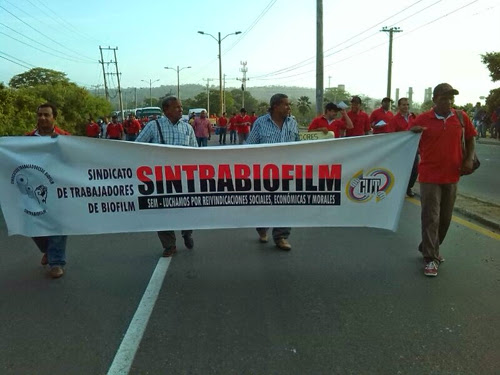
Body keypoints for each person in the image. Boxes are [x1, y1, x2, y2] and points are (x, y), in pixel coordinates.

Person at [410, 83, 476, 277]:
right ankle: (430, 258)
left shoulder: (461, 117)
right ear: (435, 100)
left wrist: (469, 158)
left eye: (451, 98)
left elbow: (471, 138)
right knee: (431, 217)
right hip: (429, 176)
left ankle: (428, 246)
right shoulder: (423, 119)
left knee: (445, 218)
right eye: (444, 98)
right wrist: (412, 132)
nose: (448, 102)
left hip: (452, 175)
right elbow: (404, 141)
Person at [135, 96, 198, 257]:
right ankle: (169, 245)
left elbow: (196, 153)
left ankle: (187, 232)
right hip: (160, 179)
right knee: (162, 212)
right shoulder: (153, 126)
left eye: (181, 107)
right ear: (166, 110)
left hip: (183, 178)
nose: (181, 110)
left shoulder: (187, 129)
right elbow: (137, 147)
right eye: (177, 107)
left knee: (187, 209)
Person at [246, 93, 300, 251]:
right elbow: (250, 146)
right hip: (264, 172)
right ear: (275, 106)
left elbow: (298, 145)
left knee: (286, 203)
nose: (289, 107)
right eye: (286, 104)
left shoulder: (292, 123)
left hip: (287, 171)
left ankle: (281, 236)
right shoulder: (260, 123)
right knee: (264, 203)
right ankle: (262, 227)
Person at [26, 103, 70, 279]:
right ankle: (48, 250)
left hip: (58, 189)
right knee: (33, 225)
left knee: (58, 225)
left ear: (54, 118)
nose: (42, 118)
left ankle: (56, 262)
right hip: (34, 189)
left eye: (46, 115)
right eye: (40, 115)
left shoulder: (65, 138)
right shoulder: (25, 140)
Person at [388, 97, 418, 197]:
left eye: (407, 104)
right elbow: (391, 135)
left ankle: (408, 187)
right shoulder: (394, 119)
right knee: (401, 170)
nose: (406, 107)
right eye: (403, 105)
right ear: (399, 106)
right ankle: (398, 188)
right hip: (401, 149)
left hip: (413, 147)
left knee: (415, 169)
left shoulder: (413, 117)